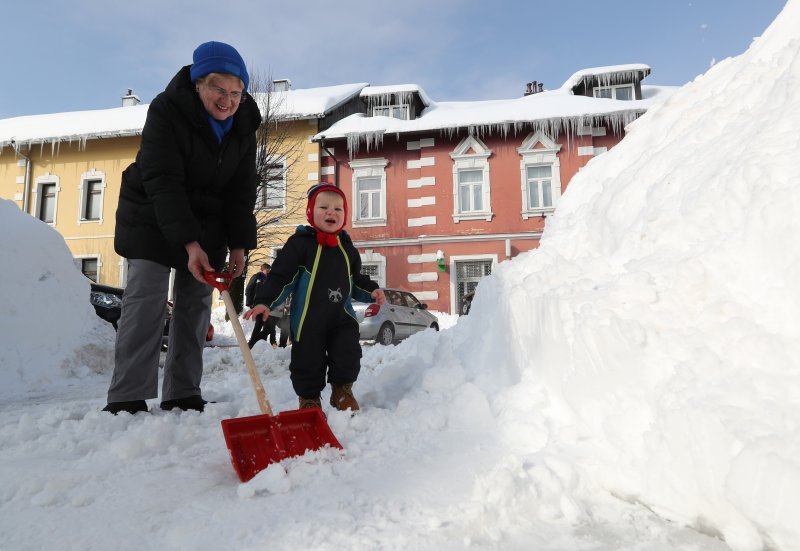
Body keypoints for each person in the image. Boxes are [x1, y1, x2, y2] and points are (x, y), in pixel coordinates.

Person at [104, 41, 262, 415]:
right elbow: (163, 179)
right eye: (218, 90)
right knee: (148, 300)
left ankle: (182, 391)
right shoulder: (167, 110)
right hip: (152, 211)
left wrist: (239, 245)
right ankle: (127, 395)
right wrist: (190, 244)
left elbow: (242, 189)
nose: (227, 101)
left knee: (196, 304)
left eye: (236, 92)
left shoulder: (244, 125)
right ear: (197, 84)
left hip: (209, 219)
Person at [244, 183, 385, 412]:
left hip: (342, 317)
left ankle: (342, 391)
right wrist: (264, 301)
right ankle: (309, 400)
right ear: (311, 212)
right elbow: (281, 278)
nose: (331, 212)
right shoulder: (300, 244)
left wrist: (372, 290)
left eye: (338, 209)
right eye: (324, 207)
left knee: (347, 353)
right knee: (307, 360)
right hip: (309, 319)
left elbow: (356, 279)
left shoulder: (346, 247)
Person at [245, 263, 277, 348]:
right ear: (262, 270)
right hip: (257, 304)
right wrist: (250, 303)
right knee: (259, 324)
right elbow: (248, 289)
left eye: (269, 270)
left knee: (269, 326)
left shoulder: (270, 279)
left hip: (266, 305)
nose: (268, 272)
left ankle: (258, 342)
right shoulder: (256, 277)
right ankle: (252, 343)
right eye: (267, 270)